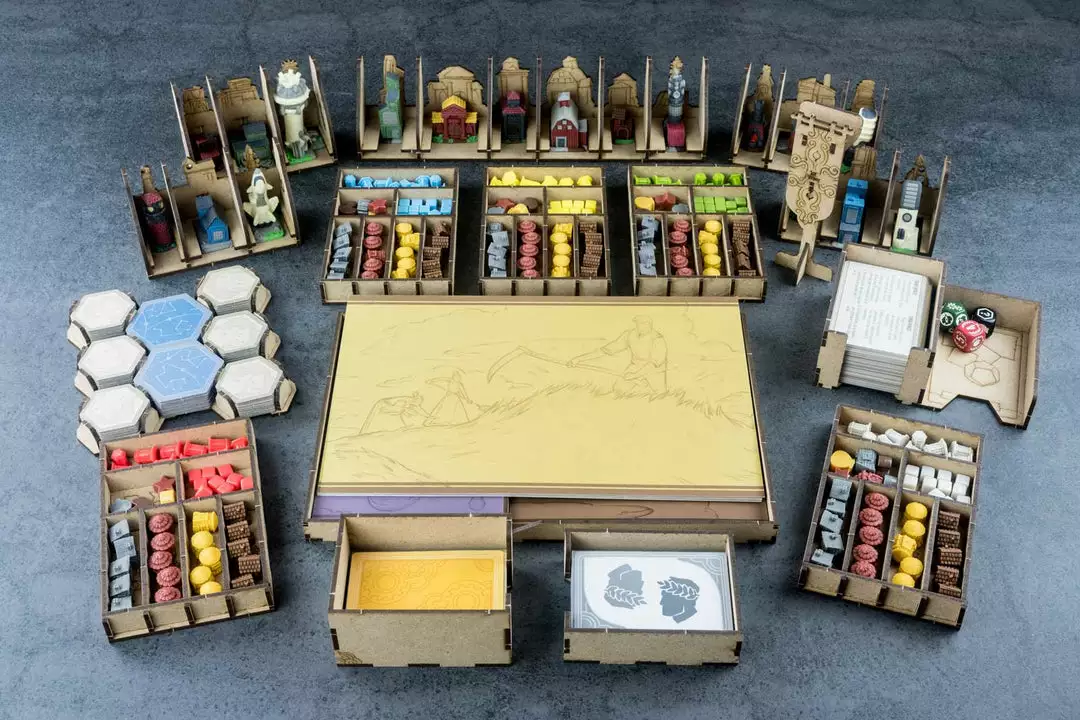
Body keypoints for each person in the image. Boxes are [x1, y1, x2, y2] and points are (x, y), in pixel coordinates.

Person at [568, 315, 668, 393]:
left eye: (643, 324)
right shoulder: (629, 334)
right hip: (635, 367)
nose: (639, 326)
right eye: (638, 323)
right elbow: (606, 350)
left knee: (660, 395)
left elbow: (654, 363)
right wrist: (578, 359)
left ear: (650, 324)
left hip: (654, 371)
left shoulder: (658, 339)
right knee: (618, 391)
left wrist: (635, 375)